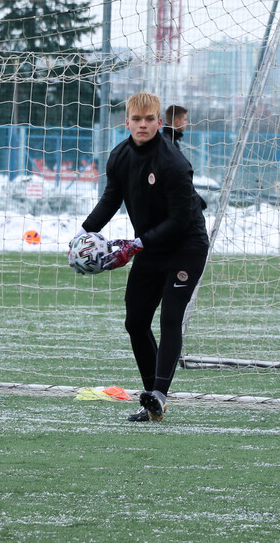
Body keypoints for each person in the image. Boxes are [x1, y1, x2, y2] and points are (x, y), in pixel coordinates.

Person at [76, 92, 209, 423]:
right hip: (150, 247)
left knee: (170, 317)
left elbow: (179, 221)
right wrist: (84, 233)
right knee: (135, 322)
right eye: (137, 119)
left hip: (186, 245)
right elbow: (111, 198)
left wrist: (134, 245)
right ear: (128, 122)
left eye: (150, 119)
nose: (143, 125)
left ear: (159, 123)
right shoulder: (119, 156)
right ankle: (152, 400)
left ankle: (160, 394)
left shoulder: (174, 163)